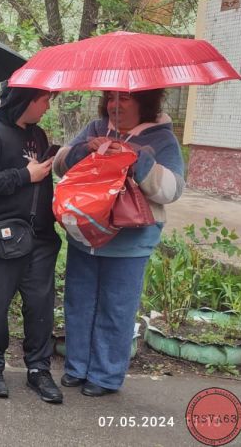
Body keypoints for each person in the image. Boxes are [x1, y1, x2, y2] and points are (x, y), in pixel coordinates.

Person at [54, 89, 184, 397]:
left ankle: (106, 376)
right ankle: (77, 367)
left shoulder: (161, 138)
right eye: (110, 98)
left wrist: (139, 160)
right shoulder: (96, 128)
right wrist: (86, 149)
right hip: (86, 233)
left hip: (130, 240)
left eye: (123, 98)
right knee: (79, 302)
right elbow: (60, 164)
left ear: (144, 101)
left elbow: (173, 189)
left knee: (117, 308)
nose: (114, 105)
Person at [0, 86, 62, 404]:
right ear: (27, 100)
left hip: (40, 237)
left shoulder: (38, 136)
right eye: (45, 99)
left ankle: (39, 369)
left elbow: (41, 178)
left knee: (40, 306)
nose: (48, 105)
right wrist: (24, 175)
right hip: (0, 235)